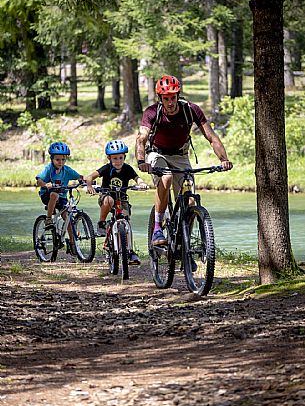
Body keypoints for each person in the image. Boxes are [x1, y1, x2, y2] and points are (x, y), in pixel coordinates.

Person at [135, 74, 233, 246]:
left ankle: (183, 246)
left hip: (180, 155)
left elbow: (211, 137)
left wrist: (224, 159)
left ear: (178, 96)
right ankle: (157, 228)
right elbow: (141, 138)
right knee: (166, 178)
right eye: (166, 99)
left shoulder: (191, 110)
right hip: (157, 154)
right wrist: (141, 161)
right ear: (161, 99)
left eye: (173, 98)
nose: (170, 102)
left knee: (190, 201)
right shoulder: (152, 112)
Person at [86, 139, 148, 265]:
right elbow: (90, 177)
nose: (118, 161)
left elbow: (137, 178)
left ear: (124, 157)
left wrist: (142, 183)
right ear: (109, 158)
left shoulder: (128, 169)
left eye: (121, 158)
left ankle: (129, 251)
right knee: (109, 200)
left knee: (126, 223)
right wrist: (89, 186)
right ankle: (102, 223)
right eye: (115, 158)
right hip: (106, 196)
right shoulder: (106, 168)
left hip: (122, 198)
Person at [36, 142, 83, 256]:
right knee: (54, 195)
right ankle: (48, 219)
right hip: (47, 195)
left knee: (68, 218)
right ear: (52, 159)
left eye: (63, 159)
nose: (60, 162)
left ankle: (72, 244)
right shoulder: (48, 169)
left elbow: (79, 176)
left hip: (62, 198)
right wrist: (46, 185)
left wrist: (84, 181)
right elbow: (39, 180)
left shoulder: (66, 170)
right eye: (57, 160)